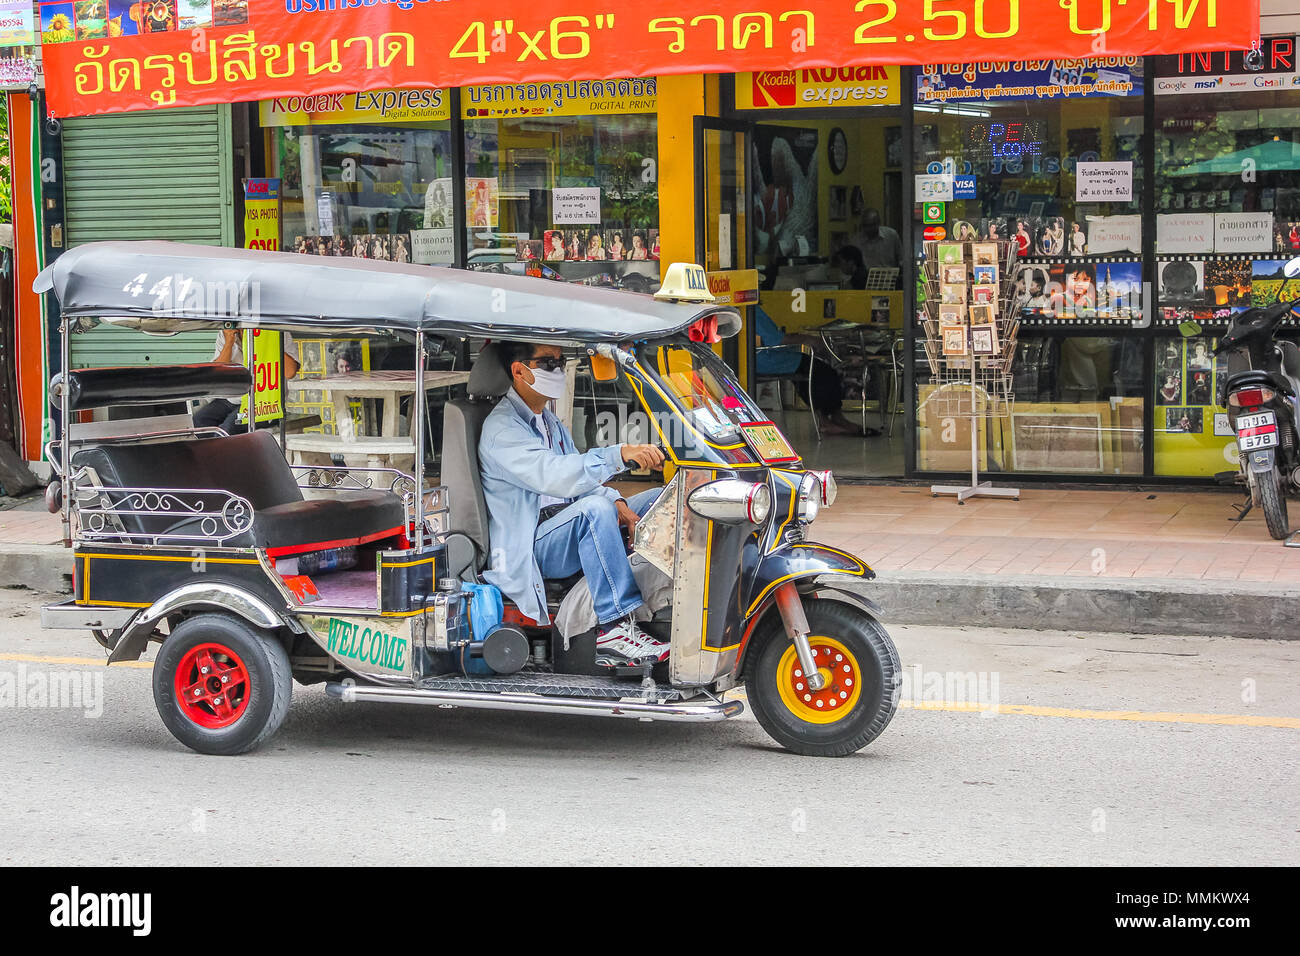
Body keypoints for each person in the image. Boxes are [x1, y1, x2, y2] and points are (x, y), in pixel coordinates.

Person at [478, 342, 670, 668]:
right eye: (547, 362)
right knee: (594, 512)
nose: (557, 369)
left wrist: (619, 502)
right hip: (533, 545)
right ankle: (615, 628)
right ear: (519, 370)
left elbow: (582, 485)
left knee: (659, 498)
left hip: (562, 523)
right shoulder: (502, 429)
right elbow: (556, 477)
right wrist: (619, 454)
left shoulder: (549, 423)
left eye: (560, 361)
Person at [192, 329, 299, 434]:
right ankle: (214, 451)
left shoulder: (275, 330)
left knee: (227, 430)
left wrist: (266, 342)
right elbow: (217, 375)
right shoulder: (226, 332)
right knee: (199, 422)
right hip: (232, 399)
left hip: (263, 402)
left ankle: (225, 451)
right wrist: (228, 342)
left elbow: (290, 372)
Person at [850, 208, 903, 278]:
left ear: (878, 223)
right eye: (865, 226)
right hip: (865, 280)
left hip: (889, 278)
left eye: (871, 225)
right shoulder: (856, 241)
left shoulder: (891, 235)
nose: (868, 229)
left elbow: (901, 259)